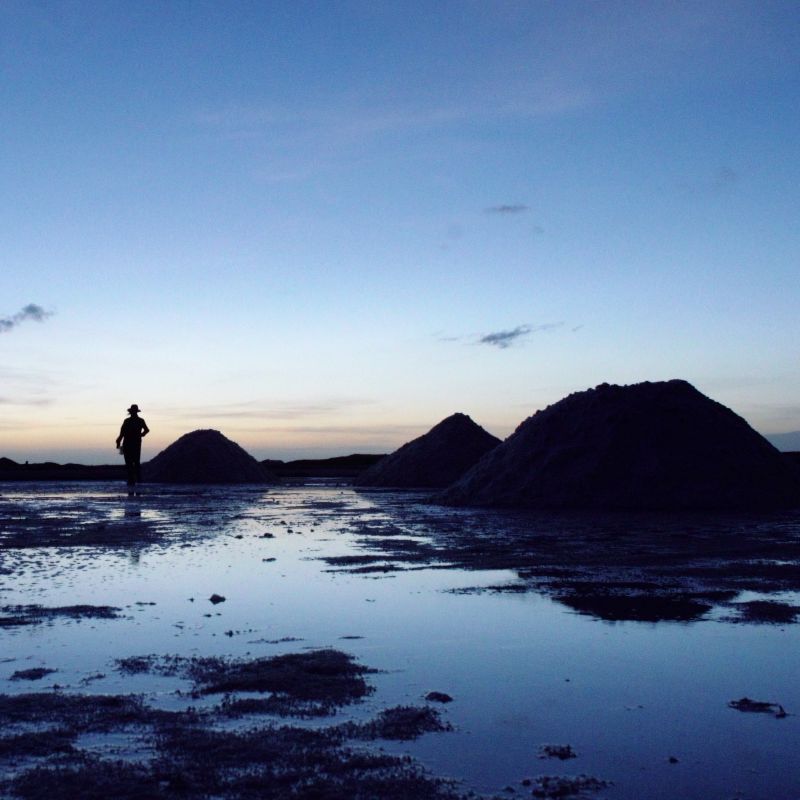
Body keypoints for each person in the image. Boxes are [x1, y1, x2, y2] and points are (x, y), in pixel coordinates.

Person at [116, 404, 149, 490]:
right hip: (132, 443)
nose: (132, 413)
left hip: (131, 443)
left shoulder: (130, 421)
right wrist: (141, 435)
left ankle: (133, 480)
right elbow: (122, 433)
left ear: (131, 412)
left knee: (132, 462)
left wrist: (118, 442)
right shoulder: (138, 421)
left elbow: (122, 434)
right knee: (134, 462)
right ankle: (135, 480)